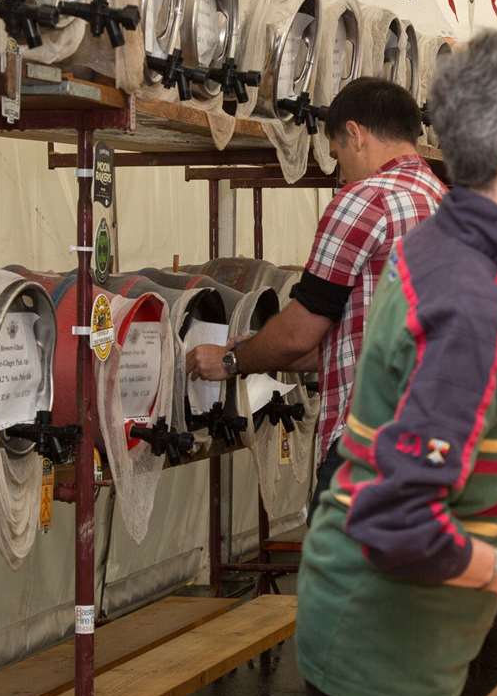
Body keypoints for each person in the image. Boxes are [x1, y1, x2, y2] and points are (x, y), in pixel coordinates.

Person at [297, 32, 497, 696]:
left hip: (408, 646)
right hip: (383, 655)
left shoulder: (461, 249)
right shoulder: (471, 303)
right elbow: (395, 520)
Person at [184, 77, 443, 507]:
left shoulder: (367, 200)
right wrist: (262, 349)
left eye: (338, 154)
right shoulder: (448, 205)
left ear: (355, 134)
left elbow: (299, 333)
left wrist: (231, 361)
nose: (340, 172)